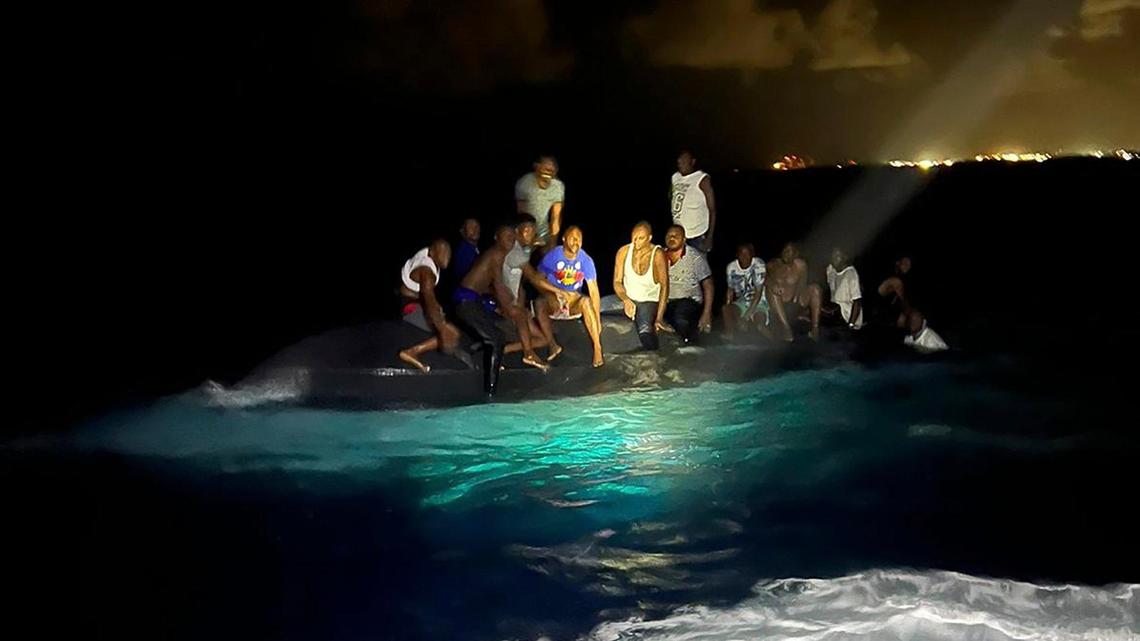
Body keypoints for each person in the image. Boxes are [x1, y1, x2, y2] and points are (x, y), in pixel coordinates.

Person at [453, 225, 550, 397]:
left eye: (512, 237)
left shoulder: (499, 255)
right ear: (496, 238)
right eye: (506, 236)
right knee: (497, 339)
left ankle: (480, 349)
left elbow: (492, 284)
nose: (510, 239)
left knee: (502, 329)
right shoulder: (496, 254)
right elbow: (498, 285)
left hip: (475, 300)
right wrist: (508, 307)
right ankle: (491, 391)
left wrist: (507, 303)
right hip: (465, 300)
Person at [536, 226, 604, 367]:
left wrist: (597, 319)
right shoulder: (553, 256)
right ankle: (552, 345)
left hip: (573, 303)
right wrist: (554, 292)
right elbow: (538, 280)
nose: (576, 242)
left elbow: (594, 291)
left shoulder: (585, 260)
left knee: (586, 301)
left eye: (579, 239)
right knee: (539, 303)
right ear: (564, 239)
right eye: (572, 238)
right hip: (554, 301)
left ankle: (597, 348)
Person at [501, 214, 565, 360]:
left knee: (542, 340)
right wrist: (558, 292)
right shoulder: (515, 252)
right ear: (516, 231)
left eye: (533, 231)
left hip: (516, 304)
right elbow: (533, 277)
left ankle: (503, 350)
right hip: (508, 307)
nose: (531, 235)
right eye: (527, 231)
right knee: (540, 337)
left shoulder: (520, 250)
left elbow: (522, 282)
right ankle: (508, 351)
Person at [397, 239, 462, 373]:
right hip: (411, 307)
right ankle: (411, 352)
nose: (446, 257)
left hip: (412, 301)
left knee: (445, 324)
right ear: (432, 252)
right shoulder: (427, 271)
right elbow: (429, 299)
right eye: (442, 253)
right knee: (452, 333)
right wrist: (442, 326)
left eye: (448, 254)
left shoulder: (428, 256)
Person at [613, 221, 670, 350]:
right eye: (633, 238)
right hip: (627, 298)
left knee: (645, 331)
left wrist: (659, 318)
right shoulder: (623, 251)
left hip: (648, 301)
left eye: (640, 238)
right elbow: (617, 282)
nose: (635, 242)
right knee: (595, 307)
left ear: (649, 238)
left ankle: (656, 356)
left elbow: (665, 286)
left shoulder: (658, 254)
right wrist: (625, 299)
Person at [662, 224, 714, 343]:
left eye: (676, 236)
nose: (672, 238)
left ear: (684, 239)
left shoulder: (695, 257)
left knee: (681, 317)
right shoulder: (659, 256)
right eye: (669, 235)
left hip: (689, 302)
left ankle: (690, 342)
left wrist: (707, 313)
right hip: (667, 301)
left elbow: (708, 285)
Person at [765, 242, 823, 341]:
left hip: (795, 301)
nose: (785, 253)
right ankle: (786, 329)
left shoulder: (800, 265)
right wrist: (772, 283)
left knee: (815, 288)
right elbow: (763, 278)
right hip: (779, 304)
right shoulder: (773, 264)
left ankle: (815, 329)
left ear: (796, 254)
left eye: (789, 251)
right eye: (784, 250)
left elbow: (802, 283)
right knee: (771, 289)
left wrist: (798, 304)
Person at [670, 150, 716, 252]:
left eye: (684, 160)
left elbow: (712, 210)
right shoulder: (675, 177)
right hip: (678, 234)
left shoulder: (702, 179)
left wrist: (709, 237)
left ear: (692, 161)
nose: (680, 162)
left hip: (696, 237)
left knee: (696, 262)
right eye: (679, 160)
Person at [515, 155, 565, 249]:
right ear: (536, 167)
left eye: (551, 171)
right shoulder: (524, 183)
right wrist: (527, 237)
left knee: (549, 254)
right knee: (523, 253)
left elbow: (556, 217)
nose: (548, 173)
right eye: (546, 169)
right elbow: (521, 214)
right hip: (526, 229)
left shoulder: (558, 186)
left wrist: (553, 242)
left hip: (544, 230)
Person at [724, 242, 768, 337]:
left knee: (760, 326)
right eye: (741, 253)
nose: (744, 257)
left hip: (759, 301)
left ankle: (776, 342)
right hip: (742, 301)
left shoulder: (758, 264)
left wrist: (746, 317)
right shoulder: (731, 267)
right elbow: (730, 290)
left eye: (747, 254)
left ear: (752, 255)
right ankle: (729, 336)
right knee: (726, 309)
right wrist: (728, 307)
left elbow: (758, 293)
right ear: (737, 255)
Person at [825, 247, 864, 330]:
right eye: (832, 256)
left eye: (837, 256)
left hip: (846, 317)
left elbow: (857, 302)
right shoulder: (831, 270)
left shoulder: (851, 274)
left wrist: (851, 324)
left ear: (845, 257)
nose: (834, 259)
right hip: (833, 313)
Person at [453, 217, 481, 281]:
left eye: (476, 226)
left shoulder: (476, 249)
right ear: (462, 231)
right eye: (470, 226)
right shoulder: (461, 252)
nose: (475, 229)